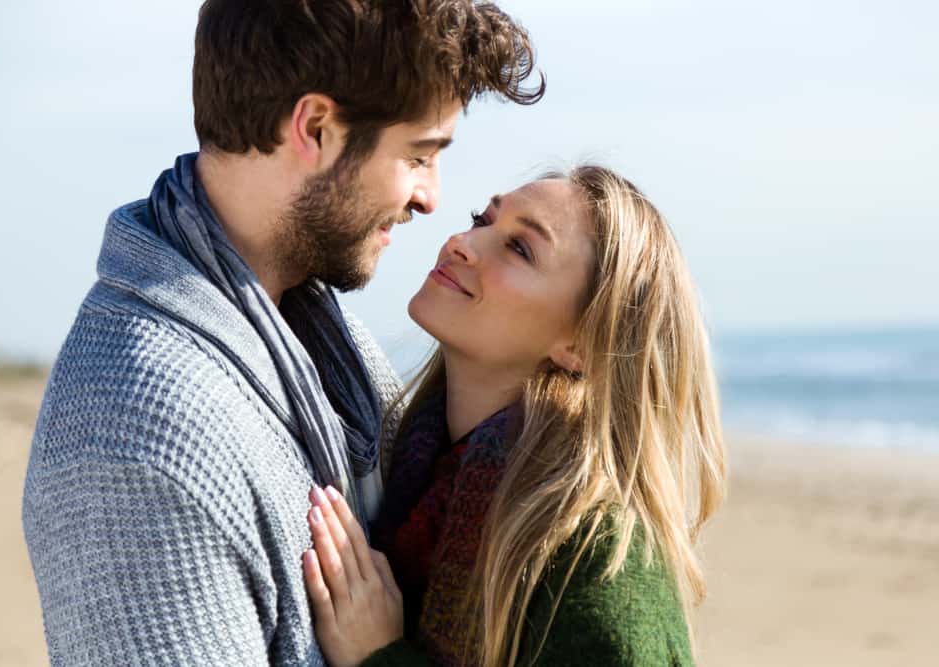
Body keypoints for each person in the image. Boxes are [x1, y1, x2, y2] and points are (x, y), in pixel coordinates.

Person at [22, 1, 544, 664]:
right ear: (317, 127)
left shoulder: (321, 334)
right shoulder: (137, 432)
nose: (430, 196)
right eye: (418, 155)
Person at [301, 166, 727, 666]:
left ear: (583, 344)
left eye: (520, 248)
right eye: (483, 219)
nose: (463, 241)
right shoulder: (410, 471)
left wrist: (380, 655)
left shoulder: (598, 558)